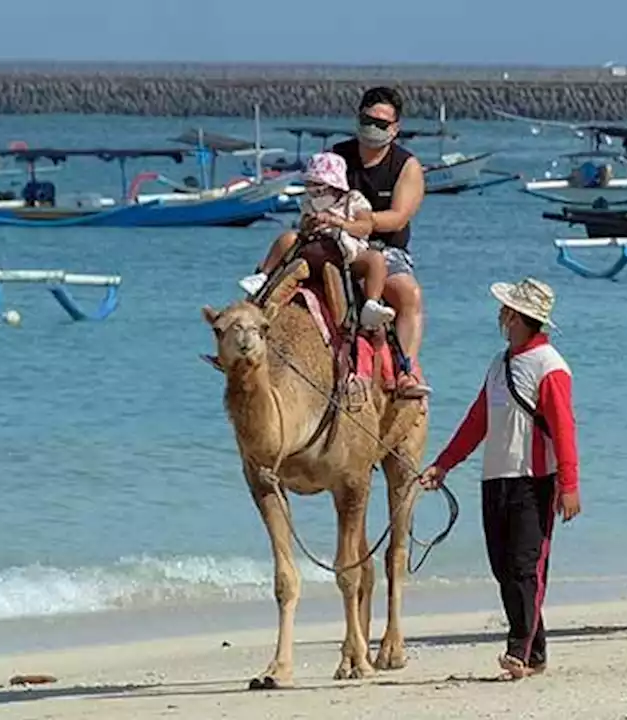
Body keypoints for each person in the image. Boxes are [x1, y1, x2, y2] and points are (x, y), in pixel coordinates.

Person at [417, 277, 581, 680]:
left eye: (505, 310)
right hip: (496, 478)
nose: (500, 315)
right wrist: (443, 464)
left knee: (527, 567)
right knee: (503, 568)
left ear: (517, 316)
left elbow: (564, 429)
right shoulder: (500, 363)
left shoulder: (551, 367)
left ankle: (518, 652)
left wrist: (570, 485)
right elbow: (478, 421)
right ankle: (535, 650)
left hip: (535, 480)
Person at [330, 86, 431, 398]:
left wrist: (361, 222)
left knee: (409, 293)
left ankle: (405, 369)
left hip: (384, 248)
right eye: (367, 120)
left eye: (381, 124)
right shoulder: (337, 156)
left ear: (395, 129)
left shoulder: (406, 166)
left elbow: (398, 217)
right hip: (337, 238)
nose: (372, 129)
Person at [238, 152, 396, 330]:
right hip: (313, 250)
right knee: (287, 238)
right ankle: (263, 276)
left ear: (334, 186)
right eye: (309, 185)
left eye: (317, 186)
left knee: (375, 259)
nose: (312, 191)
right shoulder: (309, 202)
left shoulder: (354, 200)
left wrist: (339, 223)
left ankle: (371, 304)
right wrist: (309, 225)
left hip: (348, 254)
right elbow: (303, 227)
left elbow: (366, 227)